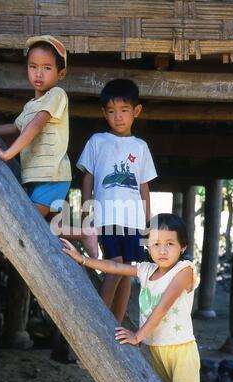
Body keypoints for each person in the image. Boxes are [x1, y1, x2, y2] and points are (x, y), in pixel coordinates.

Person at [60, 213, 213, 382]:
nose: (162, 250)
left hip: (182, 353)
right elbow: (113, 266)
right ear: (148, 246)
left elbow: (163, 307)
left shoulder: (185, 270)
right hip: (157, 351)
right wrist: (82, 260)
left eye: (169, 244)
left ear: (183, 247)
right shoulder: (146, 270)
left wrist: (137, 335)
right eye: (156, 244)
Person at [0, 35, 97, 258]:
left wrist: (7, 154)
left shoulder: (56, 95)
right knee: (48, 227)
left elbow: (34, 126)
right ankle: (84, 234)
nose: (39, 73)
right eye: (33, 66)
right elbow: (13, 127)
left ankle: (8, 249)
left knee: (27, 219)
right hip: (37, 177)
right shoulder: (30, 105)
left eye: (47, 68)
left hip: (52, 176)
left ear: (60, 74)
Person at [76, 79, 157, 322]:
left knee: (126, 272)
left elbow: (144, 187)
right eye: (111, 111)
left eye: (124, 111)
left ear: (136, 111)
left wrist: (147, 222)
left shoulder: (140, 147)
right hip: (106, 215)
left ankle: (117, 324)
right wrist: (86, 213)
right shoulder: (97, 141)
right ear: (104, 113)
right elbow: (88, 179)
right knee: (114, 267)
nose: (118, 117)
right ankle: (98, 322)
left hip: (132, 219)